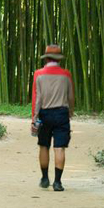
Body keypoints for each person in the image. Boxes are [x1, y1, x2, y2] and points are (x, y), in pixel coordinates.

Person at [30, 44, 74, 192]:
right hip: (61, 113)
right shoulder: (66, 74)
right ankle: (57, 182)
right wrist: (70, 112)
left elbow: (37, 98)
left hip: (44, 114)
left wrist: (34, 118)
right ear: (59, 59)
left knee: (44, 145)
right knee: (59, 147)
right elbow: (70, 96)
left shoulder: (38, 73)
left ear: (46, 58)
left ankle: (44, 178)